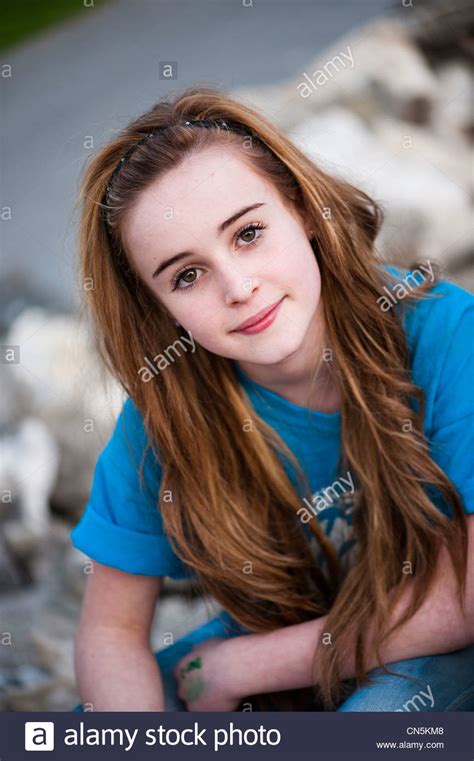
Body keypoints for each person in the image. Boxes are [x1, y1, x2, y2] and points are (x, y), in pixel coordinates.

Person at [70, 86, 474, 712]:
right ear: (159, 309)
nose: (238, 286)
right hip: (298, 648)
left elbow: (463, 601)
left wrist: (242, 666)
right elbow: (111, 632)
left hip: (436, 646)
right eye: (186, 274)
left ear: (304, 211)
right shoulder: (166, 416)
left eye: (249, 233)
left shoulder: (444, 331)